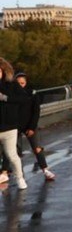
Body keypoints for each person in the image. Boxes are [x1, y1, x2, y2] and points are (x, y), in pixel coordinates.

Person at [12, 72, 55, 181]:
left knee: (36, 148)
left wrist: (31, 127)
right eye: (18, 83)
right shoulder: (11, 94)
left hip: (30, 125)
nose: (20, 85)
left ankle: (45, 169)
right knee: (15, 151)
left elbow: (36, 111)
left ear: (26, 83)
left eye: (22, 83)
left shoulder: (32, 93)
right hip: (15, 126)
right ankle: (17, 174)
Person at [0, 58, 29, 190]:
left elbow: (24, 98)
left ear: (3, 71)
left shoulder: (11, 85)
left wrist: (6, 98)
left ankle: (20, 178)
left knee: (12, 155)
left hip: (9, 128)